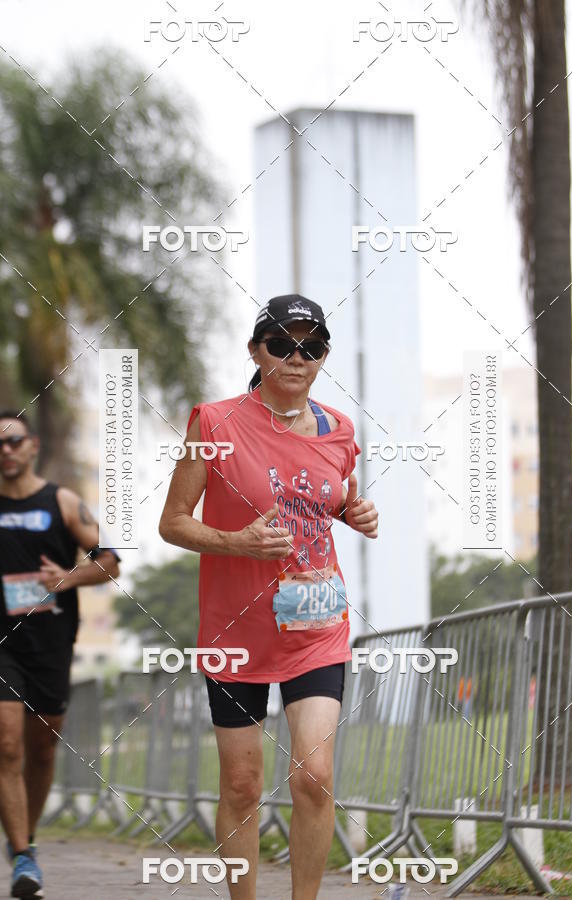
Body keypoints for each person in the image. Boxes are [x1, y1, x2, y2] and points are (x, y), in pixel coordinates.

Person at [159, 294, 378, 899]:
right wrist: (237, 542)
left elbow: (325, 496)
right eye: (281, 344)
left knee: (316, 775)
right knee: (242, 786)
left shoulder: (340, 429)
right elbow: (173, 522)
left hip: (317, 621)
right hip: (236, 633)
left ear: (323, 357)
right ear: (257, 352)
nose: (296, 357)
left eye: (310, 347)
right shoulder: (215, 423)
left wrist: (351, 510)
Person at [0, 410, 121, 899]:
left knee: (42, 744)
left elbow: (110, 562)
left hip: (49, 642)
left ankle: (24, 837)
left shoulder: (62, 501)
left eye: (14, 441)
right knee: (6, 744)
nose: (5, 450)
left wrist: (64, 579)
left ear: (32, 446)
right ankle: (24, 854)